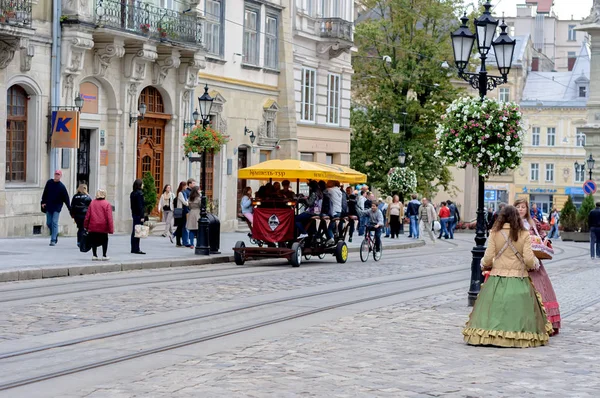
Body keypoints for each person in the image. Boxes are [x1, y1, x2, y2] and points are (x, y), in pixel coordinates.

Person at [463, 205, 552, 348]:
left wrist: (484, 264)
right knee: (519, 309)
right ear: (517, 218)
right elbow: (529, 260)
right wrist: (535, 264)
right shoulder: (523, 234)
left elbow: (488, 257)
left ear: (501, 217)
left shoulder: (494, 233)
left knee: (494, 307)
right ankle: (516, 335)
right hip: (519, 277)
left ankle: (490, 335)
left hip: (497, 277)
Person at [514, 198, 561, 335]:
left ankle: (545, 321)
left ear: (527, 209)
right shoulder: (512, 223)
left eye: (523, 207)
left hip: (534, 261)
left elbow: (541, 235)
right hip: (518, 261)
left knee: (541, 288)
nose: (521, 209)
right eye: (518, 207)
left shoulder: (533, 223)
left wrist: (544, 241)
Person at [41, 170, 72, 246]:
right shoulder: (49, 183)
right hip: (49, 206)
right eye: (56, 174)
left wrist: (70, 209)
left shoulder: (61, 187)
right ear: (54, 175)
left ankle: (53, 240)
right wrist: (43, 202)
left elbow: (66, 199)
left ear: (60, 176)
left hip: (57, 207)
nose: (57, 176)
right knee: (48, 223)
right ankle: (55, 233)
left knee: (54, 222)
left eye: (58, 175)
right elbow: (45, 193)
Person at [84, 189, 114, 261]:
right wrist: (111, 229)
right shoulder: (107, 204)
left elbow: (87, 216)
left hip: (93, 226)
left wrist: (86, 226)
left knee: (93, 241)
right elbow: (109, 217)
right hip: (103, 227)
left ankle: (94, 255)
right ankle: (104, 255)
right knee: (104, 240)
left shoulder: (92, 203)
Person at [70, 184, 92, 248]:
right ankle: (83, 241)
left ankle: (79, 241)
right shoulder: (88, 197)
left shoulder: (75, 196)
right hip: (85, 215)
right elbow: (91, 207)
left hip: (77, 215)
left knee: (80, 228)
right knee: (84, 228)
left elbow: (72, 207)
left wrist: (72, 215)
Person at [130, 179, 145, 255]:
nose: (143, 185)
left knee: (134, 231)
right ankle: (136, 248)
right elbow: (140, 206)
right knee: (138, 231)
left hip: (134, 214)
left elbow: (132, 206)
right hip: (139, 215)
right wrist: (142, 216)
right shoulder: (140, 194)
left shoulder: (132, 193)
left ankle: (133, 248)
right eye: (142, 184)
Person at [174, 181, 188, 247]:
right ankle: (177, 241)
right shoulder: (180, 193)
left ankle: (177, 240)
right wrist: (188, 202)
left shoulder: (184, 192)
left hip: (184, 211)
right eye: (185, 186)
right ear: (182, 186)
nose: (186, 187)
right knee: (180, 226)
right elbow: (184, 202)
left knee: (181, 226)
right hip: (181, 211)